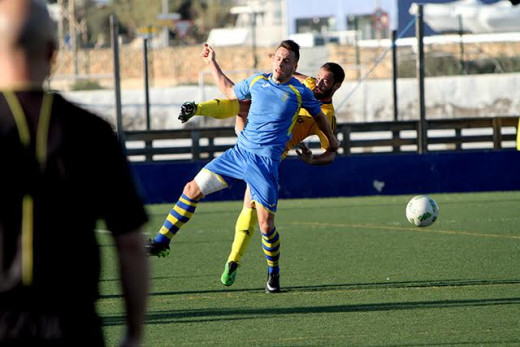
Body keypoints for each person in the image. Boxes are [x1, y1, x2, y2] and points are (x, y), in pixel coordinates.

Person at [0, 1, 149, 346]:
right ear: (52, 51)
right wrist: (134, 333)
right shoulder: (91, 131)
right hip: (71, 325)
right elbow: (129, 243)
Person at [147, 40, 339, 293]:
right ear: (274, 60)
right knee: (191, 189)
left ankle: (273, 273)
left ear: (295, 66)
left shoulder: (300, 92)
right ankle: (162, 241)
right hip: (238, 154)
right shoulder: (257, 81)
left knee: (266, 227)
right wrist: (212, 62)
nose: (281, 63)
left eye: (287, 60)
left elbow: (319, 118)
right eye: (278, 58)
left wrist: (332, 143)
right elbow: (229, 92)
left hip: (265, 165)